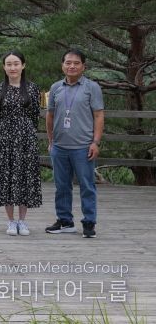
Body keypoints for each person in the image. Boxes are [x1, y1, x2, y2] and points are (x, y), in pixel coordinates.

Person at [45, 48, 104, 239]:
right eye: (68, 62)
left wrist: (95, 142)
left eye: (76, 63)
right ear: (62, 65)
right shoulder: (56, 87)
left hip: (83, 147)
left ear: (83, 66)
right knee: (61, 186)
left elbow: (98, 115)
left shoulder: (91, 87)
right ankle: (65, 221)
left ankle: (89, 222)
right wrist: (51, 140)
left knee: (87, 186)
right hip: (60, 146)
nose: (72, 66)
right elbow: (50, 115)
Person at [0, 50, 42, 236]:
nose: (13, 67)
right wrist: (3, 135)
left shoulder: (33, 89)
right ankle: (11, 221)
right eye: (9, 64)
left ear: (23, 65)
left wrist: (27, 132)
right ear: (4, 67)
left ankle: (22, 221)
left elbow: (35, 115)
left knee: (25, 177)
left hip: (26, 138)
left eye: (16, 63)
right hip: (5, 139)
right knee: (7, 177)